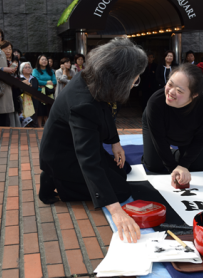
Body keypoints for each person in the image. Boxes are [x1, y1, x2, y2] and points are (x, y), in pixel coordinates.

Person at [39, 37, 147, 243]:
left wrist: (115, 143)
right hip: (63, 156)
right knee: (120, 191)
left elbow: (106, 111)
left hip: (77, 146)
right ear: (118, 78)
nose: (135, 82)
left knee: (123, 171)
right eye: (135, 77)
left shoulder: (92, 79)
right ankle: (54, 180)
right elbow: (87, 160)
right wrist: (116, 211)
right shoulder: (83, 104)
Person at [142, 63, 203, 188]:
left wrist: (183, 165)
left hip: (189, 133)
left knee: (196, 166)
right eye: (170, 84)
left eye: (179, 90)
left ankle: (175, 153)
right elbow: (159, 138)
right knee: (154, 165)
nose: (170, 92)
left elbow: (200, 139)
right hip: (159, 129)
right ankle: (163, 153)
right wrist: (173, 169)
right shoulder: (156, 102)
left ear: (194, 94)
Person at [0, 40, 22, 127]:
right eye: (5, 49)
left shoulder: (14, 61)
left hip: (14, 90)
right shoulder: (1, 60)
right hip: (3, 89)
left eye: (10, 49)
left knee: (15, 110)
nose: (8, 51)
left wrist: (15, 63)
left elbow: (14, 73)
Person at [32, 54, 56, 127]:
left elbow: (54, 81)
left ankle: (47, 126)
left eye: (45, 59)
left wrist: (43, 84)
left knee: (47, 111)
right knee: (40, 112)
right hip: (39, 93)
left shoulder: (50, 70)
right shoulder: (35, 70)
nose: (44, 61)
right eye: (42, 59)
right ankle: (40, 127)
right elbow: (36, 81)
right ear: (38, 61)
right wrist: (47, 82)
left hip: (49, 93)